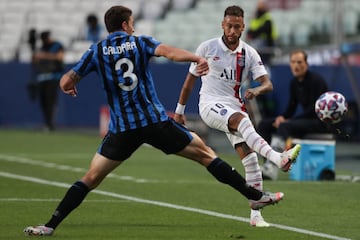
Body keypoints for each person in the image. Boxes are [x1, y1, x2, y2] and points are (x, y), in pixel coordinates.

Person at [23, 5, 286, 236]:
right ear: (126, 25)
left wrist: (68, 85)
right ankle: (256, 196)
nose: (134, 25)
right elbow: (170, 52)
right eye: (132, 21)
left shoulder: (97, 51)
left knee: (91, 177)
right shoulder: (139, 43)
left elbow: (66, 80)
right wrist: (196, 58)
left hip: (122, 130)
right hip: (154, 123)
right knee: (206, 154)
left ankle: (50, 225)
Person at [173, 5, 301, 227]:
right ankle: (277, 158)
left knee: (250, 161)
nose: (232, 30)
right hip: (210, 105)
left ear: (243, 27)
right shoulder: (207, 48)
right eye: (229, 26)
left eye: (237, 27)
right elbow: (189, 83)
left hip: (235, 106)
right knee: (243, 122)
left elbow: (267, 83)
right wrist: (179, 112)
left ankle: (256, 216)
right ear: (222, 25)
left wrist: (257, 90)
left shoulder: (249, 53)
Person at [257, 49, 329, 180]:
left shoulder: (316, 80)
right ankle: (268, 164)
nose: (296, 65)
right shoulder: (294, 82)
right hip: (303, 122)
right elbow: (291, 107)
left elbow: (314, 111)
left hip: (319, 123)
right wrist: (282, 117)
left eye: (299, 62)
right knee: (264, 125)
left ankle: (272, 167)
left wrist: (287, 122)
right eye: (293, 62)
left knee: (284, 126)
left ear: (306, 64)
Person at [32, 30, 65, 131]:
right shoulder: (41, 47)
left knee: (51, 101)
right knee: (43, 102)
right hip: (42, 78)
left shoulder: (57, 45)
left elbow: (60, 57)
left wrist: (43, 55)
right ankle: (47, 123)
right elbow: (35, 61)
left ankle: (51, 124)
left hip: (53, 77)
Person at [246, 0, 277, 66]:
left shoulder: (267, 17)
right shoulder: (255, 17)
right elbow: (250, 29)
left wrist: (254, 33)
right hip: (257, 40)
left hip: (266, 41)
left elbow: (265, 29)